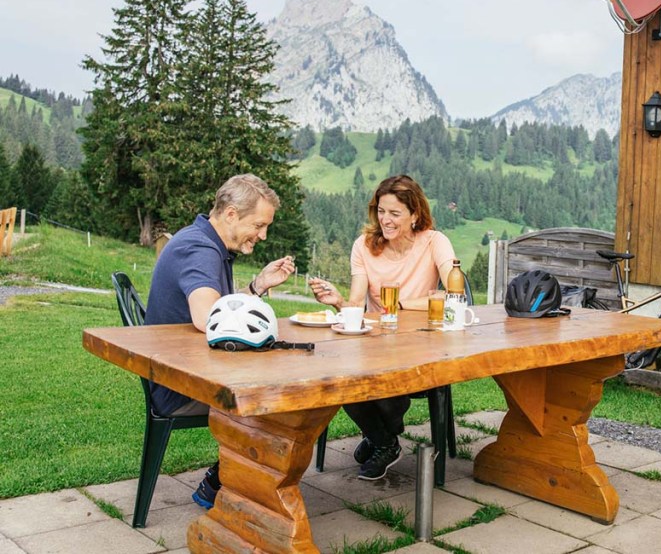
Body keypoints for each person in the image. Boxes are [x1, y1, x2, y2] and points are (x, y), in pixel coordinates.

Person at [145, 173, 296, 509]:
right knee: (285, 403)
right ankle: (228, 485)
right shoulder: (200, 249)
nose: (263, 235)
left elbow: (219, 309)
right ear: (230, 215)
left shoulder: (204, 241)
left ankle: (230, 480)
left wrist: (257, 287)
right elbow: (207, 318)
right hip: (182, 387)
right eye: (258, 225)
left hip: (186, 372)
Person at [309, 174, 456, 480]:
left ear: (415, 215)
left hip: (420, 344)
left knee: (386, 381)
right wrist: (337, 302)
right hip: (375, 343)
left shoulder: (434, 242)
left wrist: (400, 304)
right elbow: (355, 304)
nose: (385, 220)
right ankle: (385, 440)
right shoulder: (364, 246)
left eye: (395, 213)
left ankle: (378, 435)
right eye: (381, 211)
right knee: (342, 378)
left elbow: (455, 295)